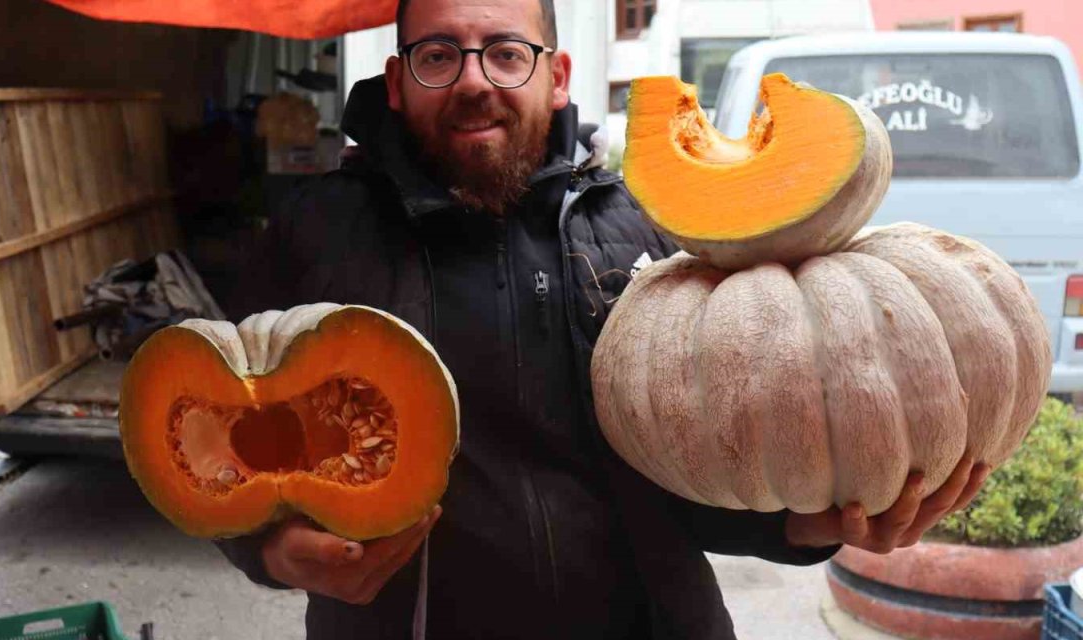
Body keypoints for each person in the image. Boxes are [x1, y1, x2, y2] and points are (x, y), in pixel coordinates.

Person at [217, 0, 991, 637]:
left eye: (506, 52)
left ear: (556, 77)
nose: (474, 81)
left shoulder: (651, 231)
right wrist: (274, 550)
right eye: (438, 55)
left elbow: (711, 472)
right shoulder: (313, 232)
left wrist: (811, 526)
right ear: (396, 81)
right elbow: (216, 439)